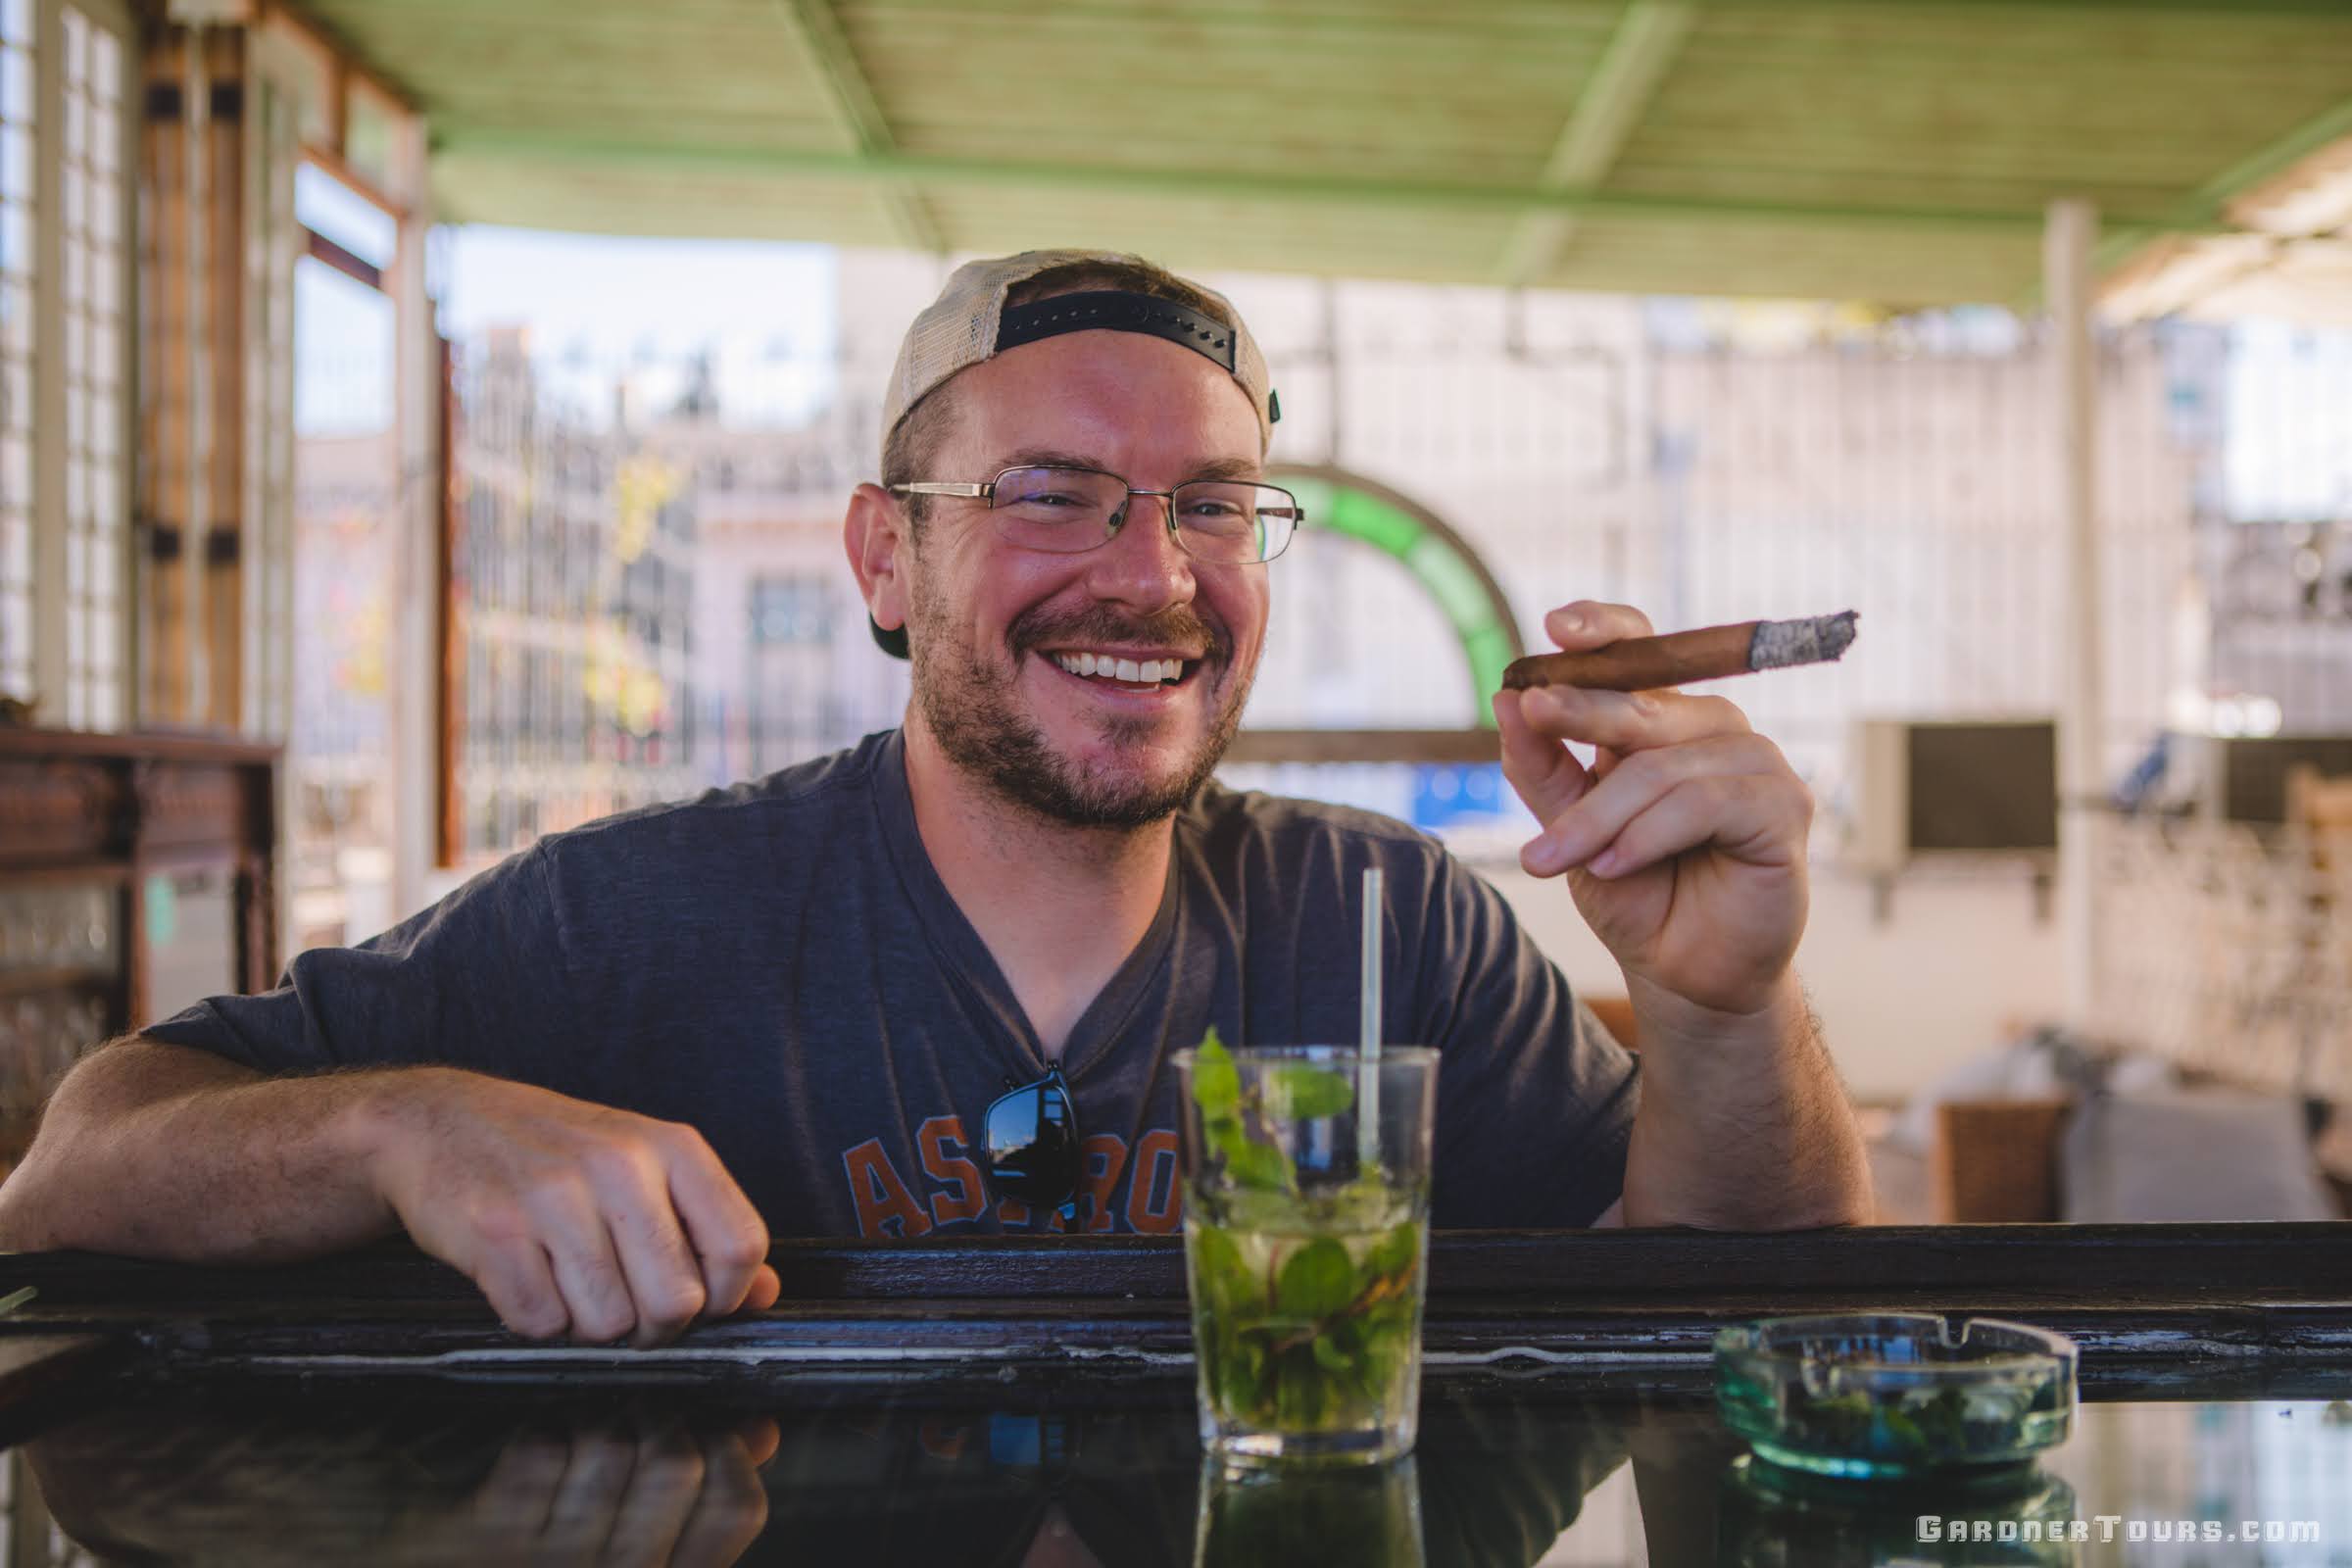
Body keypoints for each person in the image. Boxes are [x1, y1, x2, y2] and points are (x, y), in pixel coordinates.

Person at [0, 251, 1870, 1346]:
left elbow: (1741, 1319)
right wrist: (403, 1131)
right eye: (1050, 493)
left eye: (1212, 502)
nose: (1150, 571)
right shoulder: (633, 923)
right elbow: (76, 1163)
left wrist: (1723, 1003)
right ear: (885, 560)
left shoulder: (1393, 926)